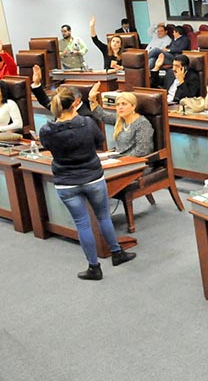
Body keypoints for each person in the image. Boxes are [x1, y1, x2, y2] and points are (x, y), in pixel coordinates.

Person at [38, 86, 136, 280]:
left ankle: (94, 268)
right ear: (74, 104)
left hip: (66, 183)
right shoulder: (87, 123)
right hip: (93, 178)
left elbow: (48, 148)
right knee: (103, 217)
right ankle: (117, 253)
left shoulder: (46, 130)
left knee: (82, 224)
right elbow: (99, 141)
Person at [88, 85, 154, 157]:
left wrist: (121, 158)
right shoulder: (120, 119)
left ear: (133, 106)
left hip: (133, 162)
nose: (120, 107)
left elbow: (143, 150)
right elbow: (101, 115)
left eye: (124, 104)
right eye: (118, 104)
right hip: (119, 158)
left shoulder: (142, 124)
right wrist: (92, 99)